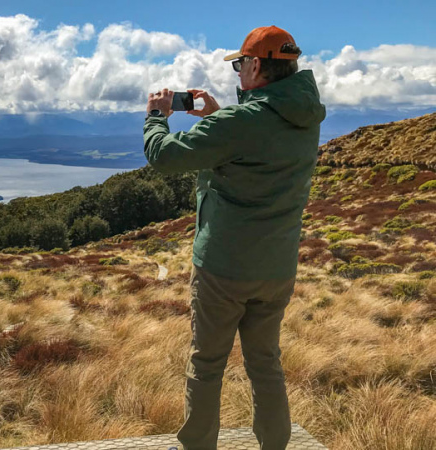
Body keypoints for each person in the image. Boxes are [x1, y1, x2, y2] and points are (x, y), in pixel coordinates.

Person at [142, 26, 326, 450]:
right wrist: (218, 116)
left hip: (224, 268)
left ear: (257, 65)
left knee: (206, 365)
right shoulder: (304, 116)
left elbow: (165, 156)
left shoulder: (241, 121)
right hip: (277, 268)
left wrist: (156, 116)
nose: (238, 70)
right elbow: (257, 144)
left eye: (240, 63)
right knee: (266, 364)